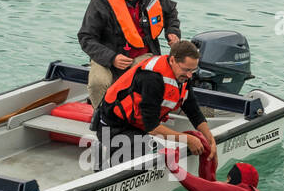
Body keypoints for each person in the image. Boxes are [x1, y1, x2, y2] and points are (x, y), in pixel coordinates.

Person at [92, 39, 216, 172]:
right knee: (142, 155)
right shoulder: (152, 79)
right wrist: (189, 140)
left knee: (152, 146)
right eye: (186, 69)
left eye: (193, 70)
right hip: (113, 127)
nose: (190, 75)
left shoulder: (183, 77)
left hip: (137, 127)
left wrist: (210, 138)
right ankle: (105, 158)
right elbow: (152, 127)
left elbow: (193, 109)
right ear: (172, 60)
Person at [78, 0, 181, 107]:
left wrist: (172, 31)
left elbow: (170, 12)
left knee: (142, 81)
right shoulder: (99, 3)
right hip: (106, 56)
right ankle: (102, 118)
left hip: (142, 55)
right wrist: (112, 58)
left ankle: (135, 118)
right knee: (97, 83)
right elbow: (86, 38)